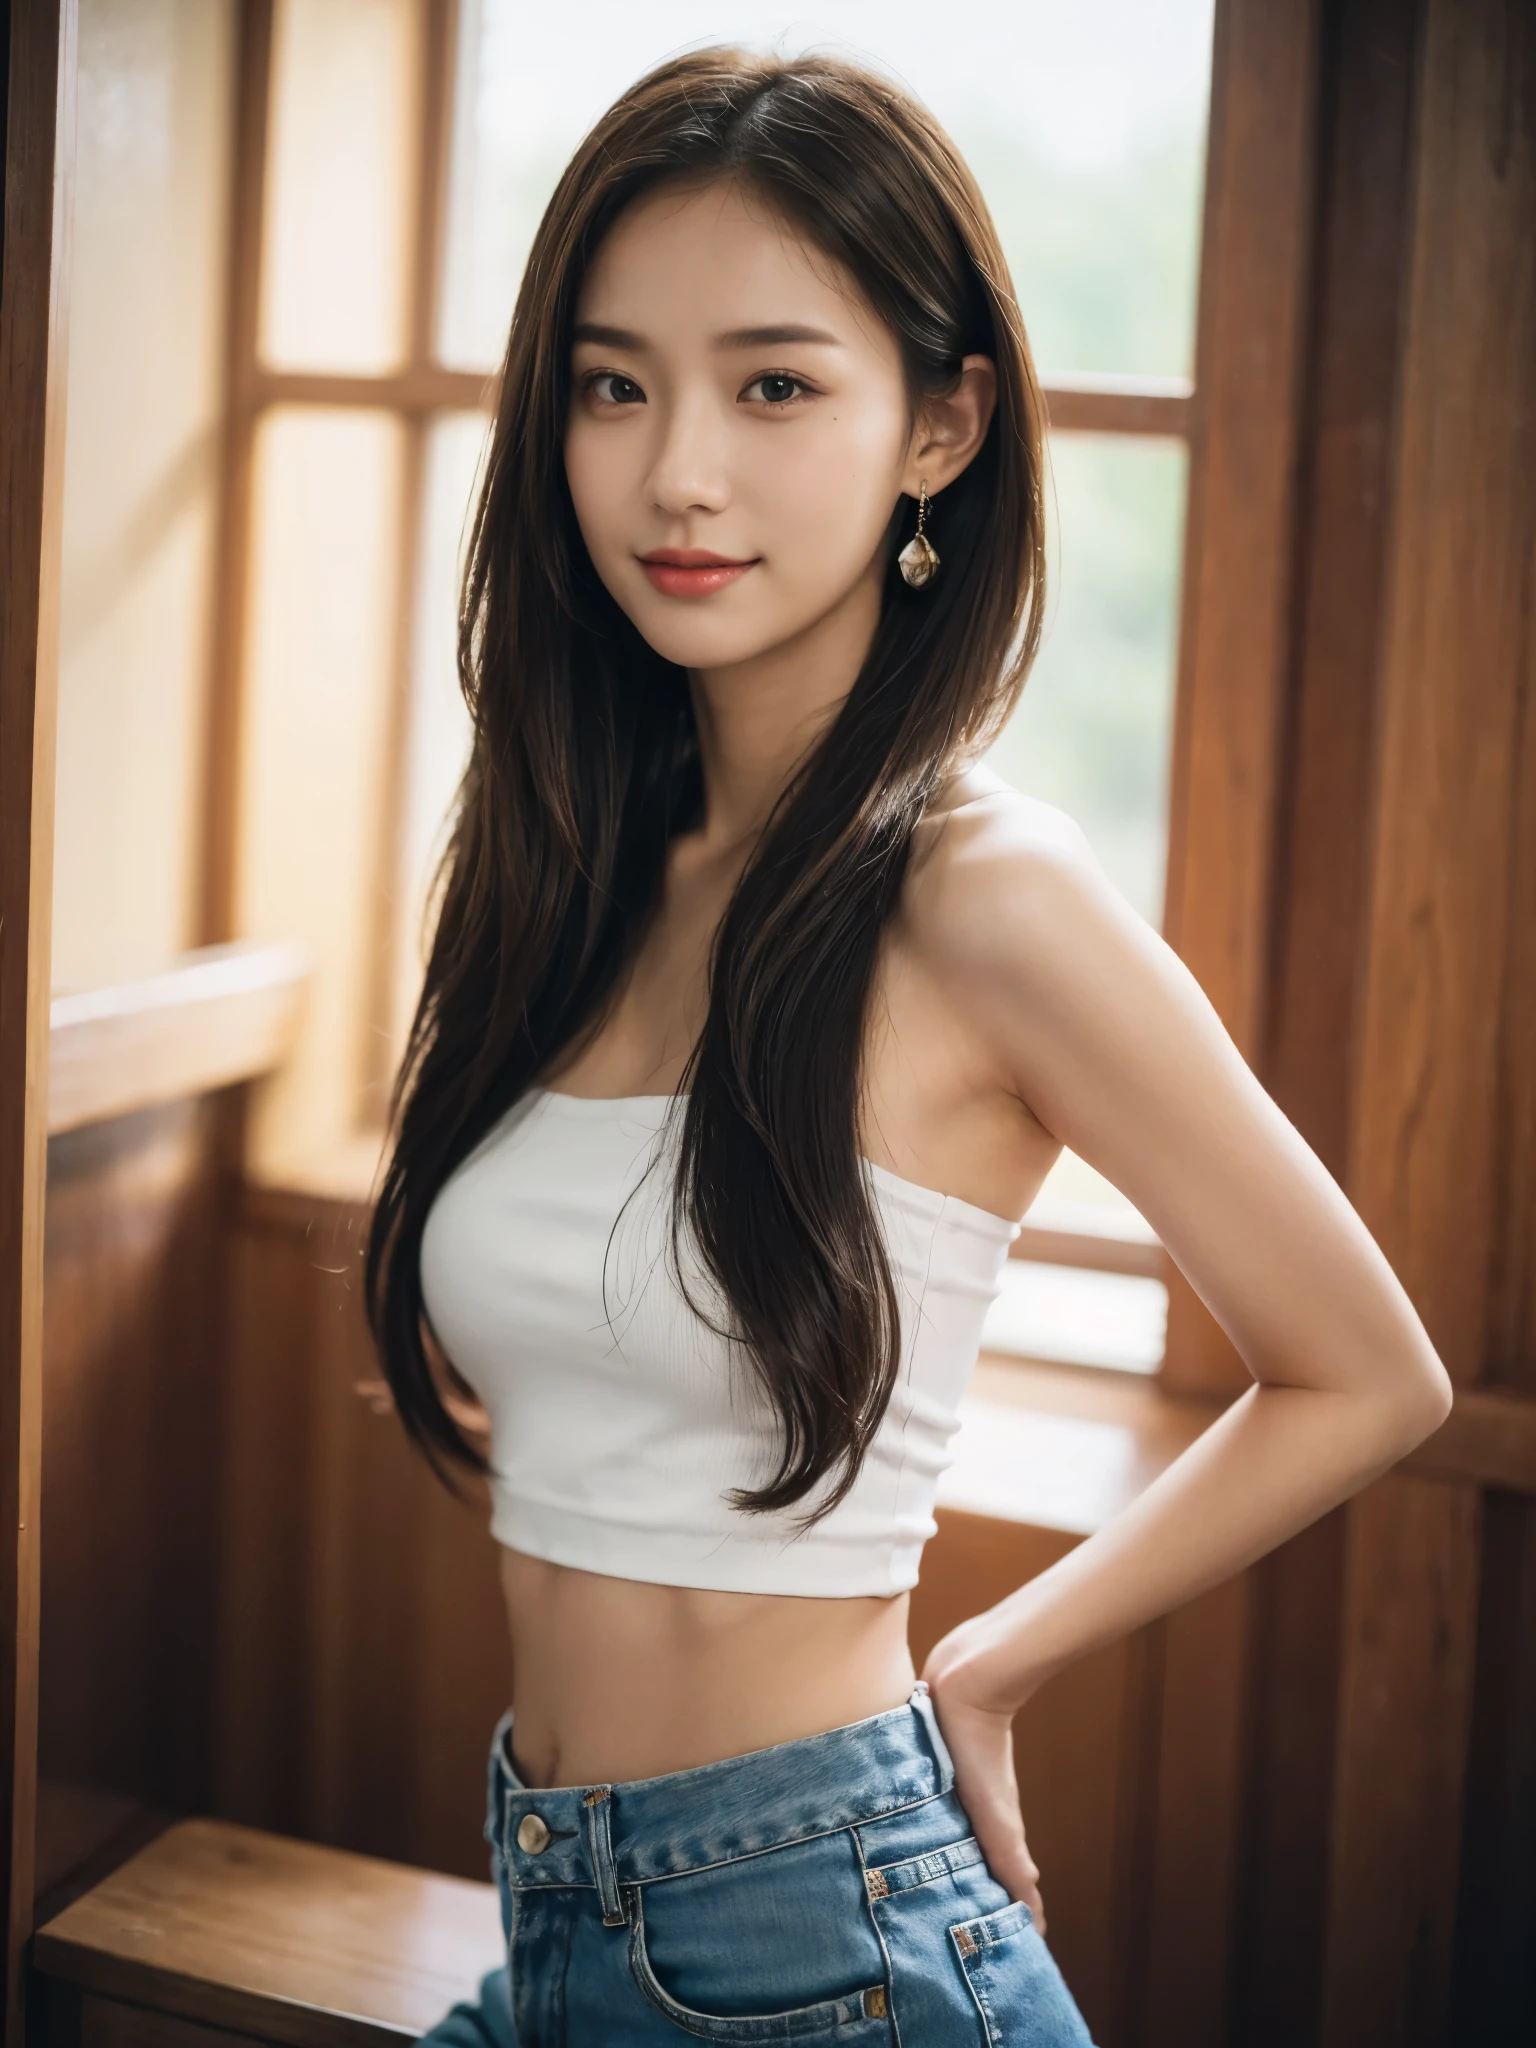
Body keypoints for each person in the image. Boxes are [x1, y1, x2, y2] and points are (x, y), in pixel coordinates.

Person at [366, 46, 1452, 2048]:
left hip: (817, 1936)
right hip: (558, 1919)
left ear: (942, 424)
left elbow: (1370, 1368)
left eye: (776, 385)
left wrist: (997, 1663)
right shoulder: (569, 868)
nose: (678, 471)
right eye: (615, 385)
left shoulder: (987, 899)